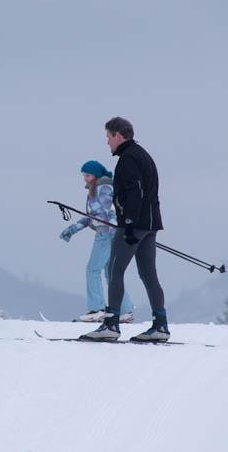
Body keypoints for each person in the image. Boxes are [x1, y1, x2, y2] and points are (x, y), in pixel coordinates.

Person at [82, 117, 169, 342]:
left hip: (134, 225)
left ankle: (111, 323)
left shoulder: (128, 159)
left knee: (113, 269)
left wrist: (129, 223)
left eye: (109, 137)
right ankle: (160, 325)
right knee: (148, 274)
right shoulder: (143, 155)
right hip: (150, 225)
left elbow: (134, 193)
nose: (107, 142)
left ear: (119, 135)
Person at [60, 160, 134, 323]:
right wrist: (73, 228)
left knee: (92, 270)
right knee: (110, 273)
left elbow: (112, 211)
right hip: (108, 233)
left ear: (95, 175)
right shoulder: (97, 188)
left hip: (106, 235)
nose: (85, 179)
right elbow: (93, 216)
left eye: (87, 175)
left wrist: (116, 233)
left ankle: (97, 309)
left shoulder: (104, 187)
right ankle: (125, 310)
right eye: (84, 176)